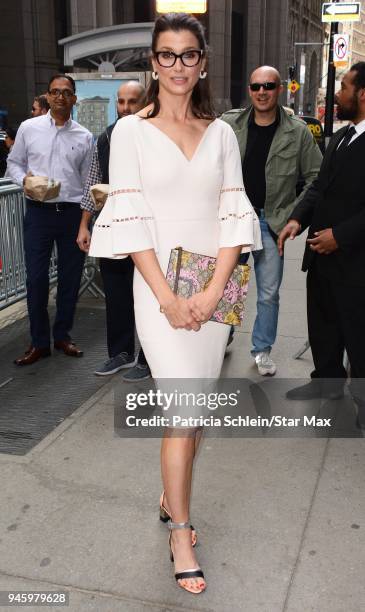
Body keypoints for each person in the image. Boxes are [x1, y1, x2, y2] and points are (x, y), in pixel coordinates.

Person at [89, 12, 261, 594]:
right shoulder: (131, 134)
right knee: (181, 410)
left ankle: (172, 490)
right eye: (167, 54)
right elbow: (132, 221)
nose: (178, 65)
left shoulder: (223, 134)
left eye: (189, 54)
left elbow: (236, 216)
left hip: (214, 287)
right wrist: (166, 298)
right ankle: (181, 529)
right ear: (153, 62)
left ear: (203, 62)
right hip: (158, 290)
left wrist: (212, 293)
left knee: (199, 410)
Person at [278, 63, 365, 429]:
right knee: (324, 325)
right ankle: (327, 384)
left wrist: (339, 236)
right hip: (321, 256)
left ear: (362, 94)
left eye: (344, 86)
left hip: (356, 261)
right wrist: (297, 218)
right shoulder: (343, 137)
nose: (338, 93)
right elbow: (318, 187)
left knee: (358, 335)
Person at [221, 66, 322, 376]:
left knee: (268, 292)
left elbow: (316, 176)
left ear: (280, 90)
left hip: (271, 222)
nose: (261, 91)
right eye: (255, 86)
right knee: (227, 285)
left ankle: (262, 349)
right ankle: (221, 339)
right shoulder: (229, 124)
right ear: (249, 90)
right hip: (234, 218)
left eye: (268, 86)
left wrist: (294, 216)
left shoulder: (298, 131)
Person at [7, 74, 93, 365]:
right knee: (35, 280)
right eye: (55, 92)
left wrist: (84, 224)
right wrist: (24, 181)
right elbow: (13, 163)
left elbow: (88, 183)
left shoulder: (84, 136)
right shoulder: (28, 129)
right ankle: (39, 342)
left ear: (74, 99)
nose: (60, 97)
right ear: (47, 95)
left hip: (70, 215)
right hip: (38, 214)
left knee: (70, 280)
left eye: (66, 92)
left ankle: (62, 336)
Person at [77, 81, 151, 381]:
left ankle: (147, 358)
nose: (125, 108)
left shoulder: (154, 135)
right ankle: (120, 353)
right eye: (120, 102)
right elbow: (93, 181)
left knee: (147, 297)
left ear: (145, 101)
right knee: (117, 294)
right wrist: (84, 223)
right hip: (112, 226)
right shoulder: (106, 137)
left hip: (148, 229)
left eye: (132, 101)